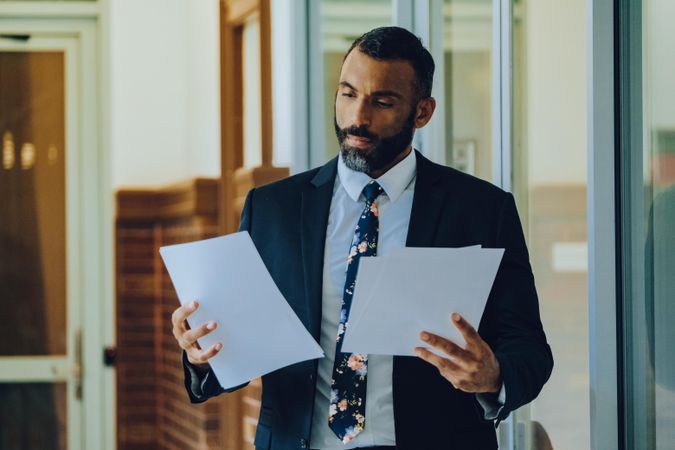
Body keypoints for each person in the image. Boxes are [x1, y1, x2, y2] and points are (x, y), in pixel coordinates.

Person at [171, 26, 553, 450]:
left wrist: (494, 376)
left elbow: (529, 348)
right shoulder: (273, 209)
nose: (357, 117)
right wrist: (201, 354)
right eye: (348, 93)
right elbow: (239, 347)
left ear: (422, 112)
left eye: (382, 102)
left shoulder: (482, 210)